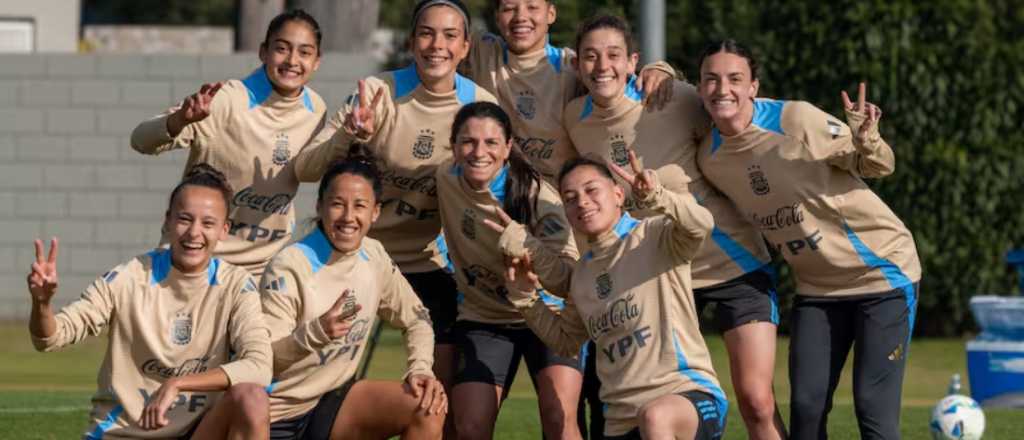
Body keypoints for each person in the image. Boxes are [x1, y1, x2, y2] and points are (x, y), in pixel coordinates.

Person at [563, 16, 784, 439]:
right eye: (590, 56)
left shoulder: (673, 97)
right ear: (577, 65)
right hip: (657, 275)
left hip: (729, 261)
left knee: (757, 401)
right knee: (644, 403)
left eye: (613, 55)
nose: (601, 66)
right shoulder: (575, 117)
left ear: (633, 62)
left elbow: (738, 127)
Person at [694, 39, 921, 440]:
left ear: (753, 87)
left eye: (734, 79)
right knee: (806, 410)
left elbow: (878, 165)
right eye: (711, 79)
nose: (721, 89)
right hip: (816, 290)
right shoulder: (711, 158)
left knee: (873, 410)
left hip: (882, 274)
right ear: (699, 88)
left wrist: (866, 139)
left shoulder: (794, 120)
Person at [293, 0, 498, 413]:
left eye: (449, 35)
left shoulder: (480, 105)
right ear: (410, 40)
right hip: (358, 259)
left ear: (465, 47)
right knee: (317, 390)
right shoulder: (377, 92)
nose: (436, 45)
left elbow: (492, 188)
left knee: (432, 399)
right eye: (426, 33)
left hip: (428, 263)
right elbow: (305, 167)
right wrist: (349, 138)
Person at [27, 165, 272, 439]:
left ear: (224, 230)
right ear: (167, 221)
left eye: (208, 223)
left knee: (252, 397)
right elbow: (49, 338)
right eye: (185, 219)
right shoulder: (129, 277)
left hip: (196, 432)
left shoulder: (237, 285)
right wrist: (43, 304)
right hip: (124, 433)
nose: (194, 232)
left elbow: (260, 367)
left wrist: (178, 383)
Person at [501, 153, 727, 439]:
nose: (581, 201)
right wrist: (526, 298)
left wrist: (657, 195)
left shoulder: (654, 236)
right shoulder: (582, 275)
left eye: (591, 190)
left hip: (685, 396)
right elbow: (567, 341)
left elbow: (702, 224)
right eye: (570, 198)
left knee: (655, 417)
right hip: (620, 420)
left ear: (619, 194)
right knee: (648, 418)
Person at [130, 9, 329, 277]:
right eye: (282, 48)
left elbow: (311, 171)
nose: (292, 60)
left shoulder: (316, 109)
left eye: (305, 52)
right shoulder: (227, 99)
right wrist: (180, 120)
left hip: (262, 265)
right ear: (263, 52)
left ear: (317, 61)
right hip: (198, 254)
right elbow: (141, 140)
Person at [261, 152, 445, 440]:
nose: (348, 217)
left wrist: (420, 368)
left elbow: (417, 318)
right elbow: (264, 360)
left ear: (375, 212)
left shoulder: (373, 254)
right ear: (320, 206)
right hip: (275, 411)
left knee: (426, 406)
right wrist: (317, 332)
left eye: (360, 206)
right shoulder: (289, 266)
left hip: (330, 402)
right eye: (337, 204)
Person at [436, 102, 580, 439]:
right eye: (468, 142)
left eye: (490, 143)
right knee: (469, 426)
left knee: (559, 420)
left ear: (508, 148)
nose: (478, 152)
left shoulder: (540, 198)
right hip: (484, 316)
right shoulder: (446, 177)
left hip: (548, 315)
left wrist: (527, 246)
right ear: (454, 146)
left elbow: (568, 279)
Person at [460, 0, 677, 184]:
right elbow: (440, 29)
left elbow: (617, 75)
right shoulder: (482, 51)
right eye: (509, 8)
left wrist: (659, 70)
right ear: (497, 17)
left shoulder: (573, 66)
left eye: (532, 7)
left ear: (551, 13)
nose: (521, 17)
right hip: (499, 194)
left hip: (563, 203)